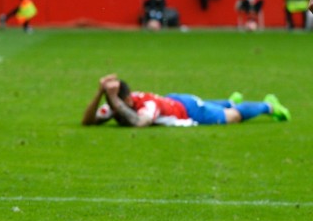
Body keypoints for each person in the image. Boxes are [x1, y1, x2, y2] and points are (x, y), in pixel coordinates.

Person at [82, 74, 291, 127]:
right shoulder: (118, 104)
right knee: (217, 106)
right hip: (175, 101)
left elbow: (140, 123)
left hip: (188, 110)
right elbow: (87, 122)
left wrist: (111, 97)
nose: (111, 107)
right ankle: (228, 100)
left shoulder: (147, 106)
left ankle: (269, 105)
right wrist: (100, 92)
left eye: (114, 102)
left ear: (126, 100)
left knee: (233, 117)